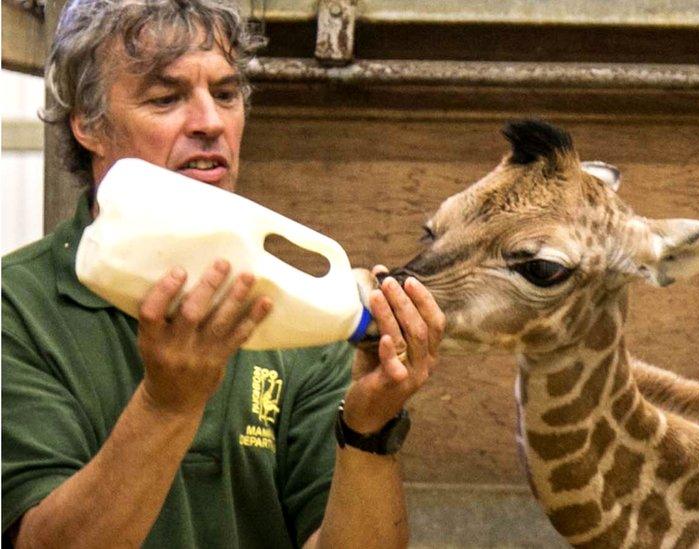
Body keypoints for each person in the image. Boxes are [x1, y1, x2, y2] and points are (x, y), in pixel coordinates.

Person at [1, 1, 444, 547]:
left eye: (227, 94)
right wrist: (168, 405)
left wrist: (368, 430)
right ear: (88, 125)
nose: (210, 122)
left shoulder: (299, 311)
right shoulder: (16, 308)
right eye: (166, 98)